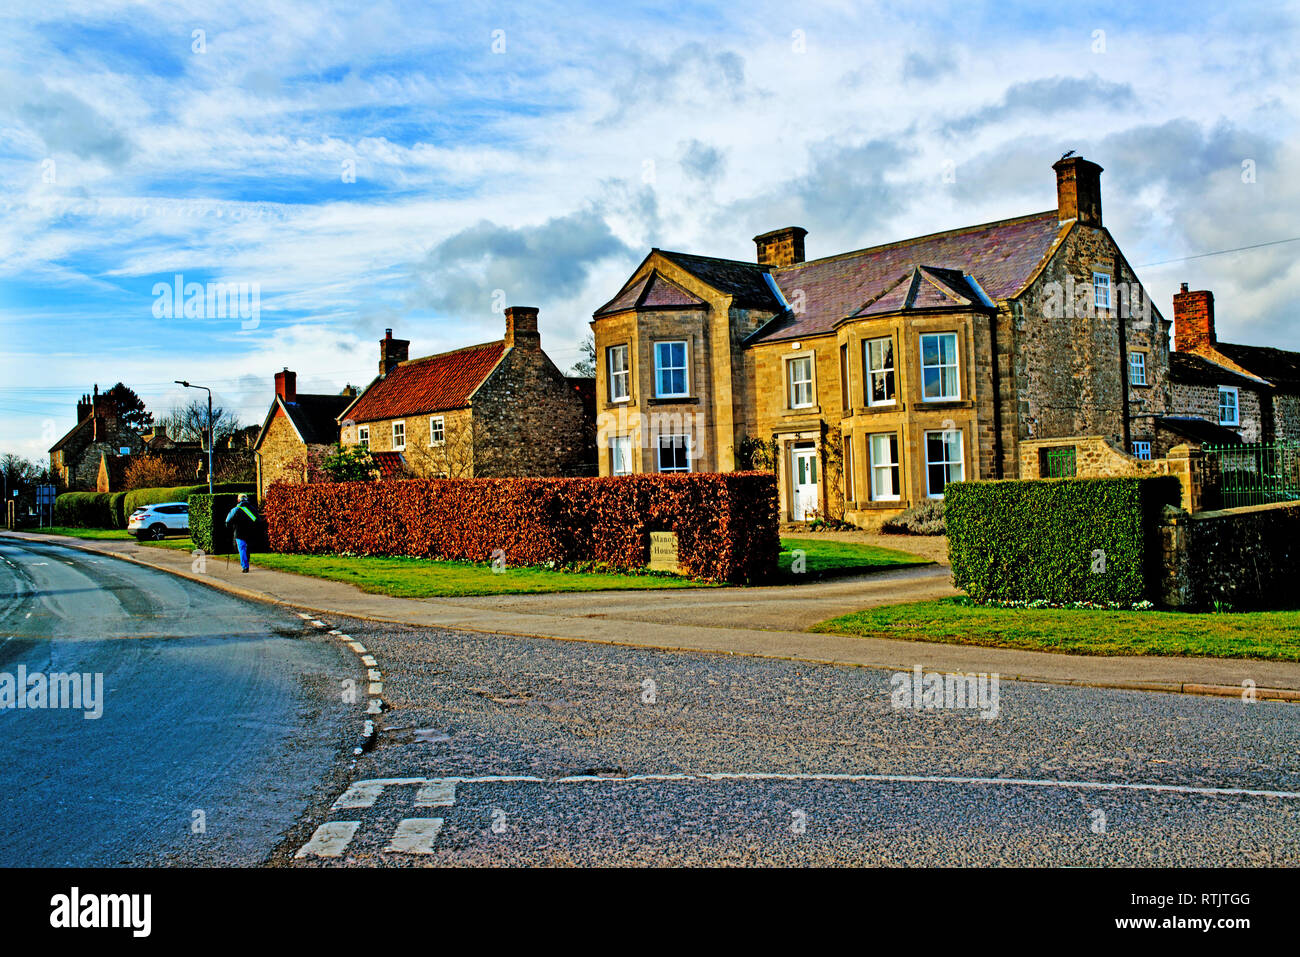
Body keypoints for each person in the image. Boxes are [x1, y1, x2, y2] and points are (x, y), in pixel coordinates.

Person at [225, 494, 259, 573]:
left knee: (242, 549)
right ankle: (246, 561)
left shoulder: (235, 509)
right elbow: (258, 521)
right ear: (247, 499)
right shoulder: (252, 509)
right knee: (247, 549)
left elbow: (227, 521)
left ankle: (245, 566)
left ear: (238, 500)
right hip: (250, 532)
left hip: (239, 532)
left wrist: (229, 527)